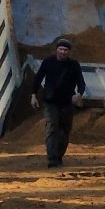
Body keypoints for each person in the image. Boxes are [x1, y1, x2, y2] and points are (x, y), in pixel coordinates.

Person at [30, 38, 86, 167]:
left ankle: (59, 156)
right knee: (52, 128)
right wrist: (33, 95)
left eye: (66, 50)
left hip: (67, 103)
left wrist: (79, 94)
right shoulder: (48, 62)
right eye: (61, 49)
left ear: (69, 52)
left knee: (65, 131)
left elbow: (81, 82)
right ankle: (52, 159)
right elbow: (38, 79)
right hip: (50, 102)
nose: (63, 52)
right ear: (56, 50)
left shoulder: (74, 65)